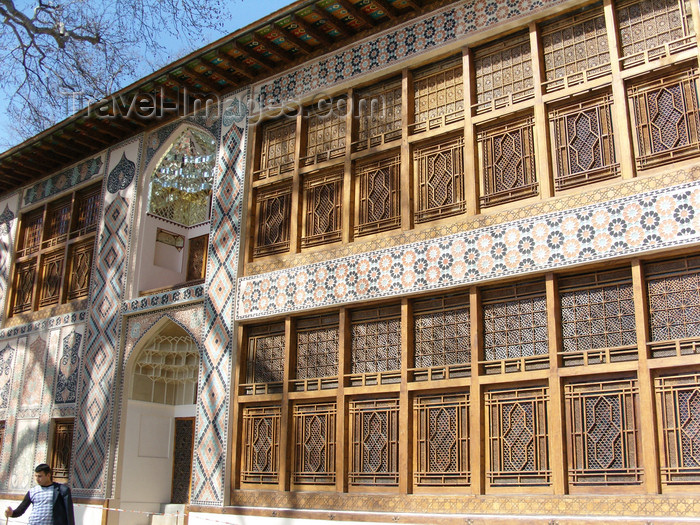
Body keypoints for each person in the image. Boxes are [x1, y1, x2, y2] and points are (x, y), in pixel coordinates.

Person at [4, 463, 75, 525]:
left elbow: (69, 514)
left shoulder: (61, 490)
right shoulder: (32, 491)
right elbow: (21, 509)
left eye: (40, 476)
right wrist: (12, 513)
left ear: (48, 475)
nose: (37, 479)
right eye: (36, 476)